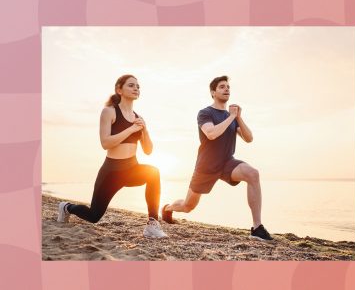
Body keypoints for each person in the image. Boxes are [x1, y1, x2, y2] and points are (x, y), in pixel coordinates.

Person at [162, 75, 272, 241]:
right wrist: (231, 117)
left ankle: (257, 228)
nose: (226, 89)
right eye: (222, 87)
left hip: (227, 162)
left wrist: (239, 117)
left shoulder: (233, 117)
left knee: (253, 174)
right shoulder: (205, 113)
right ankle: (168, 208)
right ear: (213, 92)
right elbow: (211, 134)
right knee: (188, 205)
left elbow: (249, 139)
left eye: (228, 86)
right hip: (206, 166)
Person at [57, 74, 167, 238]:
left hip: (131, 169)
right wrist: (131, 129)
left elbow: (148, 150)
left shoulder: (139, 118)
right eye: (131, 85)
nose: (136, 88)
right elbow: (105, 143)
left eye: (138, 86)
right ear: (119, 89)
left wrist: (145, 129)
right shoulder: (109, 112)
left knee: (153, 172)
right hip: (111, 172)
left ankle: (152, 224)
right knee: (94, 216)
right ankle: (66, 207)